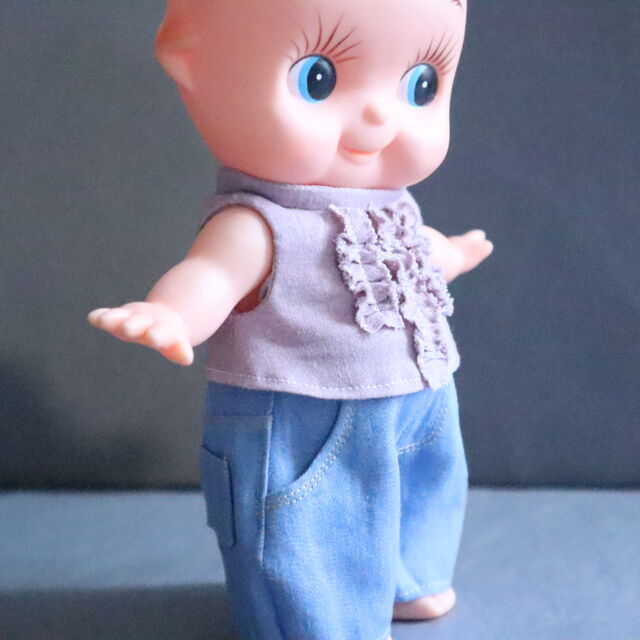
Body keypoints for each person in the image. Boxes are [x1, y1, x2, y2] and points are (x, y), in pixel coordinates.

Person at [88, 1, 493, 638]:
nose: (380, 116)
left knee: (427, 483)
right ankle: (313, 623)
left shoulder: (397, 204)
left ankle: (412, 576)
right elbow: (213, 274)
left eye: (421, 85)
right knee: (304, 518)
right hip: (303, 412)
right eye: (318, 79)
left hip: (422, 390)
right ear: (191, 61)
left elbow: (415, 251)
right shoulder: (260, 221)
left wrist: (451, 255)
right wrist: (171, 313)